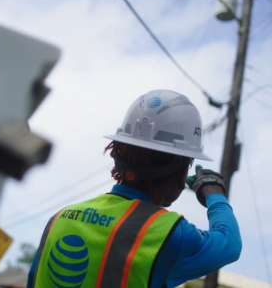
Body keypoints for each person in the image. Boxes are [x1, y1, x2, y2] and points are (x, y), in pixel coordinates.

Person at [27, 90, 242, 288]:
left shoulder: (60, 219)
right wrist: (214, 192)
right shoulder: (168, 234)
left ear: (118, 154)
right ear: (178, 170)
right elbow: (229, 244)